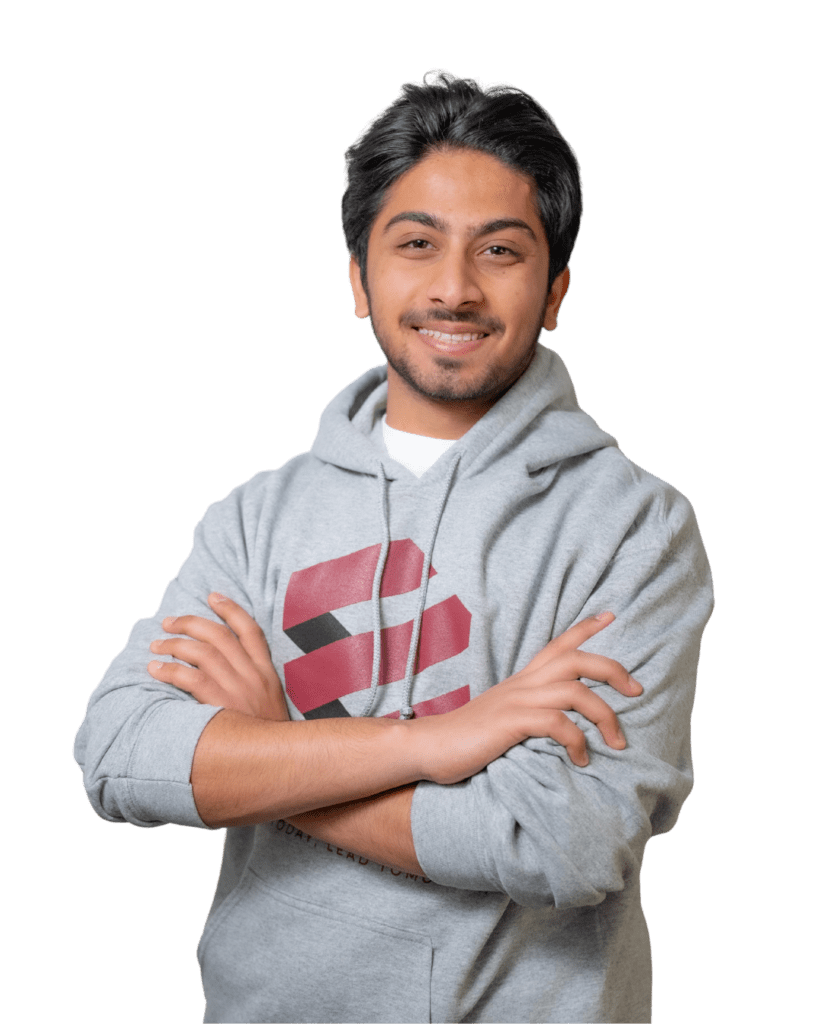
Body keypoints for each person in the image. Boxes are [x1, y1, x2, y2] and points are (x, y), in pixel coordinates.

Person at [74, 69, 714, 1024]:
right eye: (416, 244)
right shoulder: (256, 517)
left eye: (500, 250)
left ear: (555, 292)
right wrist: (437, 743)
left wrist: (273, 758)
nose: (454, 288)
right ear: (357, 279)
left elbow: (566, 844)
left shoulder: (633, 527)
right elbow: (121, 757)